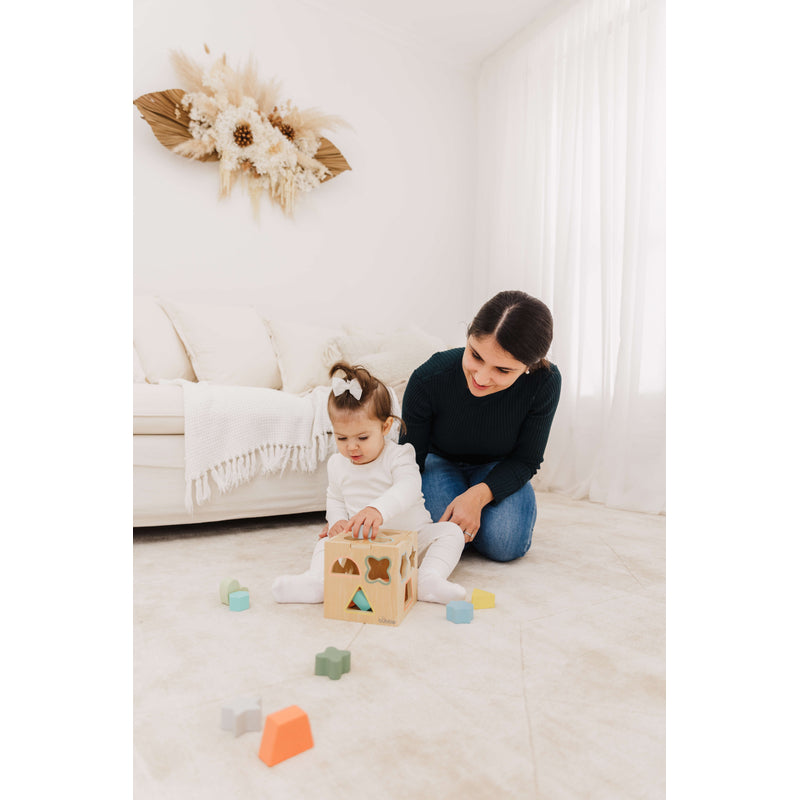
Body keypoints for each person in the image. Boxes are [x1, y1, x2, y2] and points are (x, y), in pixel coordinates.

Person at [271, 362, 466, 605]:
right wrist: (337, 520)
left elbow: (409, 487)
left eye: (362, 437)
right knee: (325, 543)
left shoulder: (399, 455)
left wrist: (378, 510)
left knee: (451, 532)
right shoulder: (337, 464)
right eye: (342, 438)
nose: (351, 446)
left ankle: (428, 580)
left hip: (413, 538)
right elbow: (335, 497)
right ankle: (317, 583)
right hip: (363, 544)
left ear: (385, 427)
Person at [399, 290, 561, 562]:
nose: (482, 378)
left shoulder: (544, 383)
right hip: (439, 461)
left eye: (503, 370)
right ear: (468, 337)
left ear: (528, 368)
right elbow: (408, 459)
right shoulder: (429, 377)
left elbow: (526, 459)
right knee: (441, 536)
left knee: (506, 544)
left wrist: (478, 496)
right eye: (475, 355)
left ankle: (479, 519)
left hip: (500, 464)